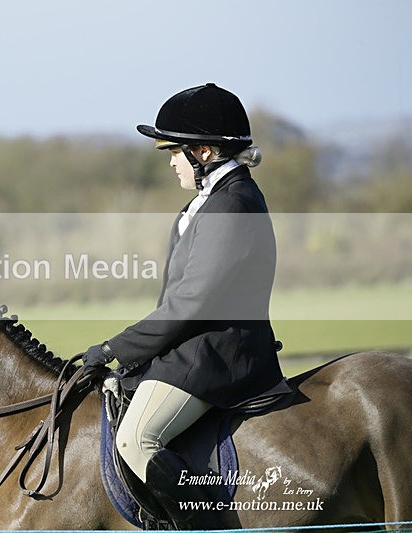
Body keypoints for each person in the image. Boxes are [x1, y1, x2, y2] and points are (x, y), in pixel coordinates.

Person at [82, 83, 290, 529]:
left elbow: (190, 301)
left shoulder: (231, 204)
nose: (171, 161)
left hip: (216, 355)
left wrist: (116, 348)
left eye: (175, 152)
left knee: (136, 439)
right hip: (192, 347)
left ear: (204, 152)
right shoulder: (209, 200)